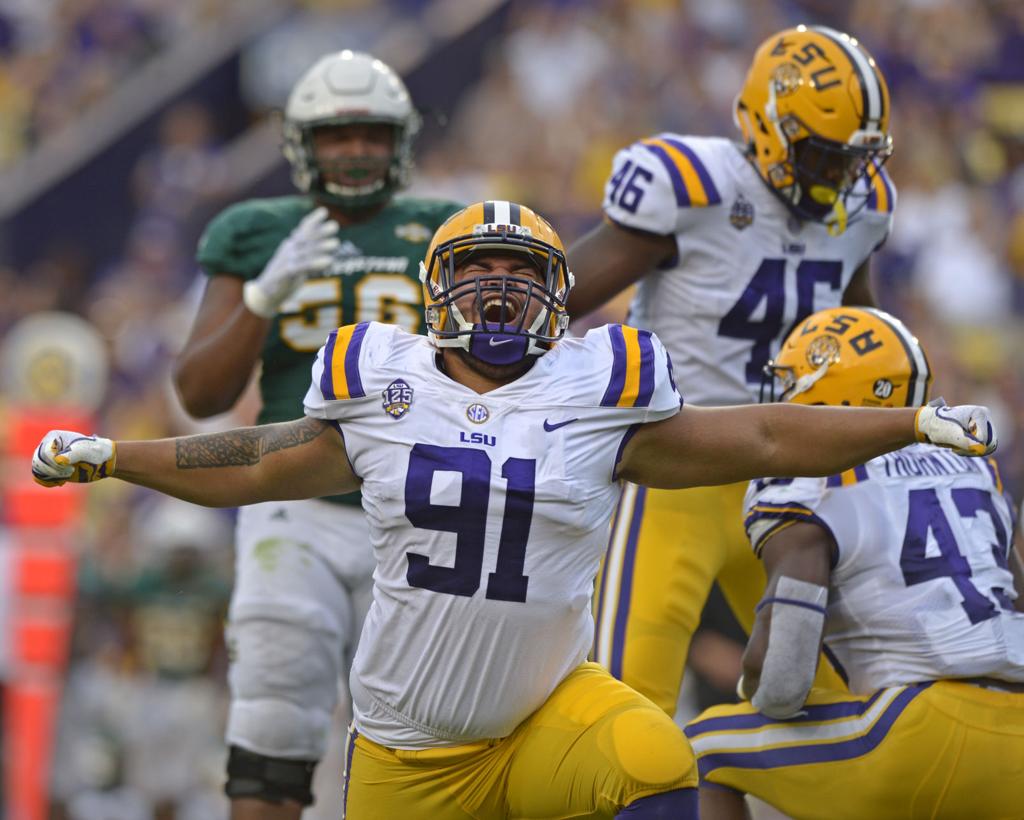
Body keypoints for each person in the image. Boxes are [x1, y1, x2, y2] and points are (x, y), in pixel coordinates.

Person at [31, 202, 996, 819]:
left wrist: (907, 419)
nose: (502, 286)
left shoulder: (599, 388)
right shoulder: (380, 379)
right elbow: (249, 459)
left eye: (527, 272)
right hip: (411, 749)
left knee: (659, 754)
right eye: (480, 269)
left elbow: (764, 438)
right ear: (436, 290)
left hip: (546, 716)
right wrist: (120, 458)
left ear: (557, 294)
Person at [568, 24, 896, 714]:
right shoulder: (694, 185)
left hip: (792, 477)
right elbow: (562, 294)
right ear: (769, 128)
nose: (841, 178)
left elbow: (868, 342)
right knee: (627, 709)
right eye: (825, 157)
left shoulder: (862, 209)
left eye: (853, 161)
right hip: (675, 464)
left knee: (844, 705)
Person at [171, 50, 461, 817]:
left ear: (399, 140)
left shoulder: (445, 228)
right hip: (290, 505)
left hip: (415, 509)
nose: (357, 151)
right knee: (273, 714)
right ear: (302, 143)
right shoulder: (256, 229)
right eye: (338, 136)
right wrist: (264, 297)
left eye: (372, 133)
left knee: (423, 732)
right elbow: (201, 392)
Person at [683, 306, 1024, 819]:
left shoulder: (807, 477)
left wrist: (750, 683)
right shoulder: (976, 469)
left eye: (797, 384)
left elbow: (783, 676)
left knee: (701, 752)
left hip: (917, 729)